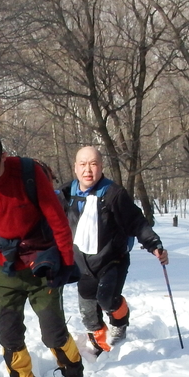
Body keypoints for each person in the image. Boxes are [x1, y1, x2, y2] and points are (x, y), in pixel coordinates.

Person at [0, 129, 84, 377]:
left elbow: (57, 221)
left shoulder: (29, 173)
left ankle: (74, 373)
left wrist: (65, 263)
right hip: (4, 268)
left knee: (53, 332)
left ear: (3, 158)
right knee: (9, 335)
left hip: (43, 265)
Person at [61, 146, 168, 354]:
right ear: (75, 167)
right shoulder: (67, 194)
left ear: (101, 167)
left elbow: (136, 222)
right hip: (82, 263)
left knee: (107, 299)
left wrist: (154, 244)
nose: (88, 170)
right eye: (83, 164)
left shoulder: (113, 194)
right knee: (87, 313)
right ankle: (101, 344)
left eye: (93, 164)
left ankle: (119, 323)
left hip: (112, 259)